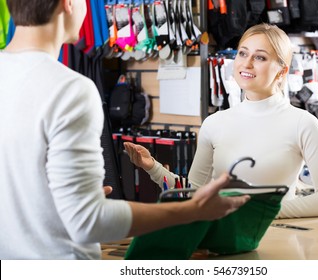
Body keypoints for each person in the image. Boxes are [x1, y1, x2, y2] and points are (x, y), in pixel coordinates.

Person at [0, 0, 250, 260]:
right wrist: (192, 210)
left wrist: (64, 199)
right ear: (69, 4)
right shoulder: (69, 90)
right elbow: (89, 222)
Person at [125, 23, 318, 219]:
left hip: (280, 244)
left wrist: (263, 214)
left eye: (260, 57)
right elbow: (193, 193)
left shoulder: (303, 123)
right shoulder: (214, 123)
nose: (246, 63)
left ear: (282, 71)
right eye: (242, 53)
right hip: (223, 244)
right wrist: (152, 167)